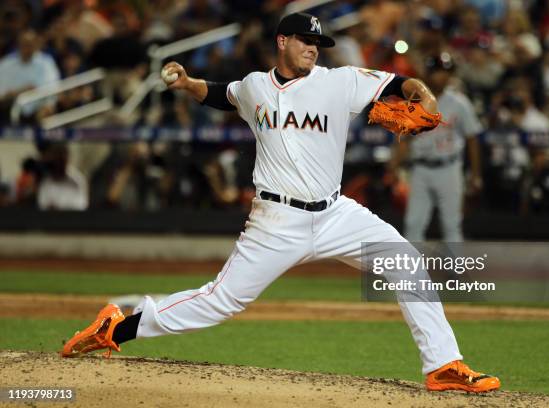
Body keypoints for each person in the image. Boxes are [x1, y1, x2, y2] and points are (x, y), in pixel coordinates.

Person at [61, 13, 500, 393]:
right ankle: (116, 327)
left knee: (405, 262)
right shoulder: (255, 87)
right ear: (282, 42)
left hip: (335, 213)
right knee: (220, 302)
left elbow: (400, 83)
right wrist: (188, 83)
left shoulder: (340, 81)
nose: (313, 48)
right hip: (276, 219)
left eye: (318, 43)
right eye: (305, 41)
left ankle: (444, 366)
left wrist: (422, 94)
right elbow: (221, 93)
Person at [390, 54, 483, 242]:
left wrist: (475, 173)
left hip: (449, 168)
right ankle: (412, 270)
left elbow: (472, 138)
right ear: (427, 73)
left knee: (451, 224)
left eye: (445, 72)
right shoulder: (414, 103)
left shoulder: (459, 102)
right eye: (437, 71)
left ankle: (454, 270)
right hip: (420, 169)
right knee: (413, 223)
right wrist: (393, 166)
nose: (441, 76)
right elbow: (404, 139)